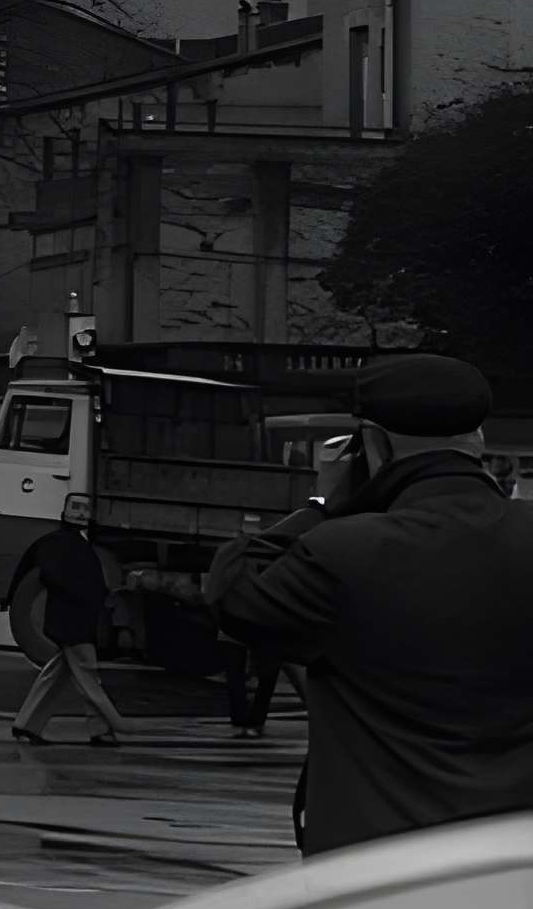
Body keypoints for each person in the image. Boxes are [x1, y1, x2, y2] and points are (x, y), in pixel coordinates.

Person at [210, 353, 533, 856]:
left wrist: (324, 505)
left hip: (375, 868)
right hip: (511, 865)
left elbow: (234, 591)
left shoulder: (343, 553)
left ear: (375, 445)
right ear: (478, 439)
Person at [12, 494, 129, 746]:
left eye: (84, 508)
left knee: (56, 676)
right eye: (77, 508)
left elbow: (41, 574)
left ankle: (26, 724)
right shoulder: (69, 546)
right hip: (75, 624)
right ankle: (105, 729)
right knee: (88, 678)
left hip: (69, 622)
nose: (82, 513)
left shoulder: (59, 543)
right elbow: (65, 581)